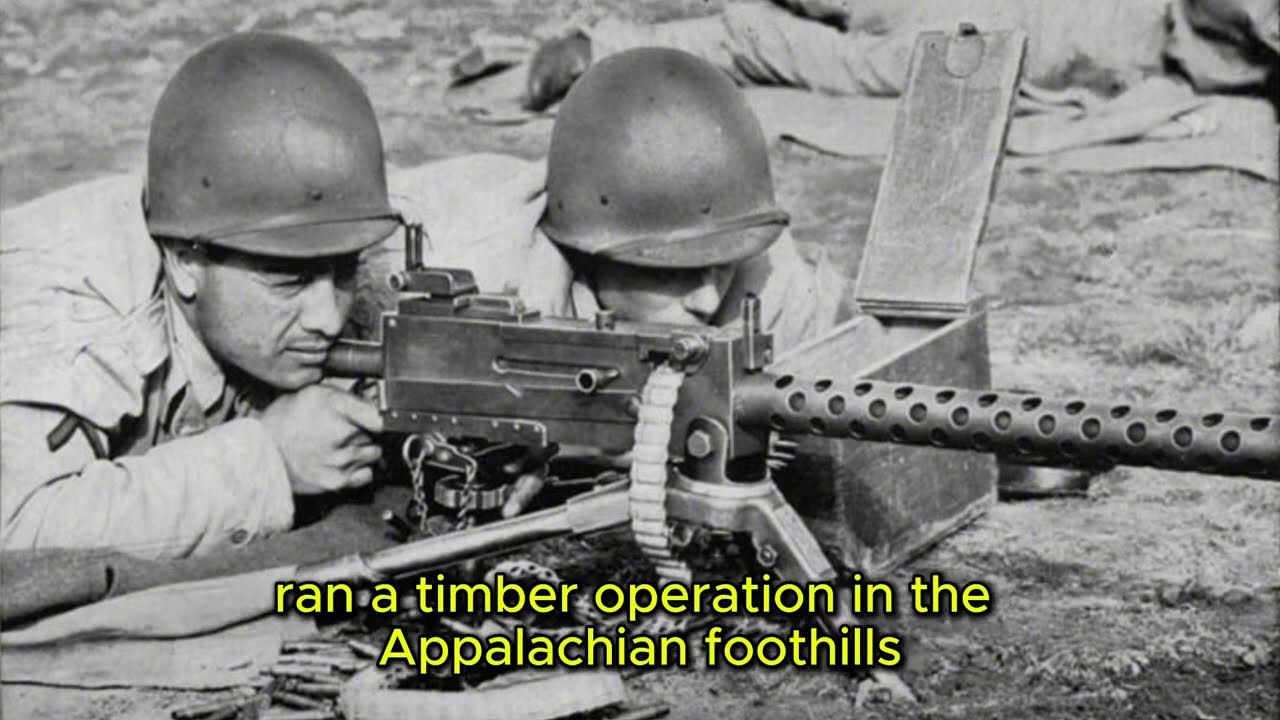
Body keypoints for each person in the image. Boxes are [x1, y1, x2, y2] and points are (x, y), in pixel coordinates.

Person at [0, 33, 401, 559]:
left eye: (344, 270)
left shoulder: (314, 222)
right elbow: (16, 530)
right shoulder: (75, 308)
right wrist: (268, 463)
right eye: (288, 282)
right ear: (186, 262)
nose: (328, 317)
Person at [358, 47, 847, 354]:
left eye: (720, 267)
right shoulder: (459, 278)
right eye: (673, 272)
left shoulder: (763, 269)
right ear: (588, 251)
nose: (708, 300)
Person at [524, 0, 1278, 111]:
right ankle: (606, 45)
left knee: (842, 52)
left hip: (1058, 39)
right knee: (846, 52)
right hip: (1060, 26)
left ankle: (603, 46)